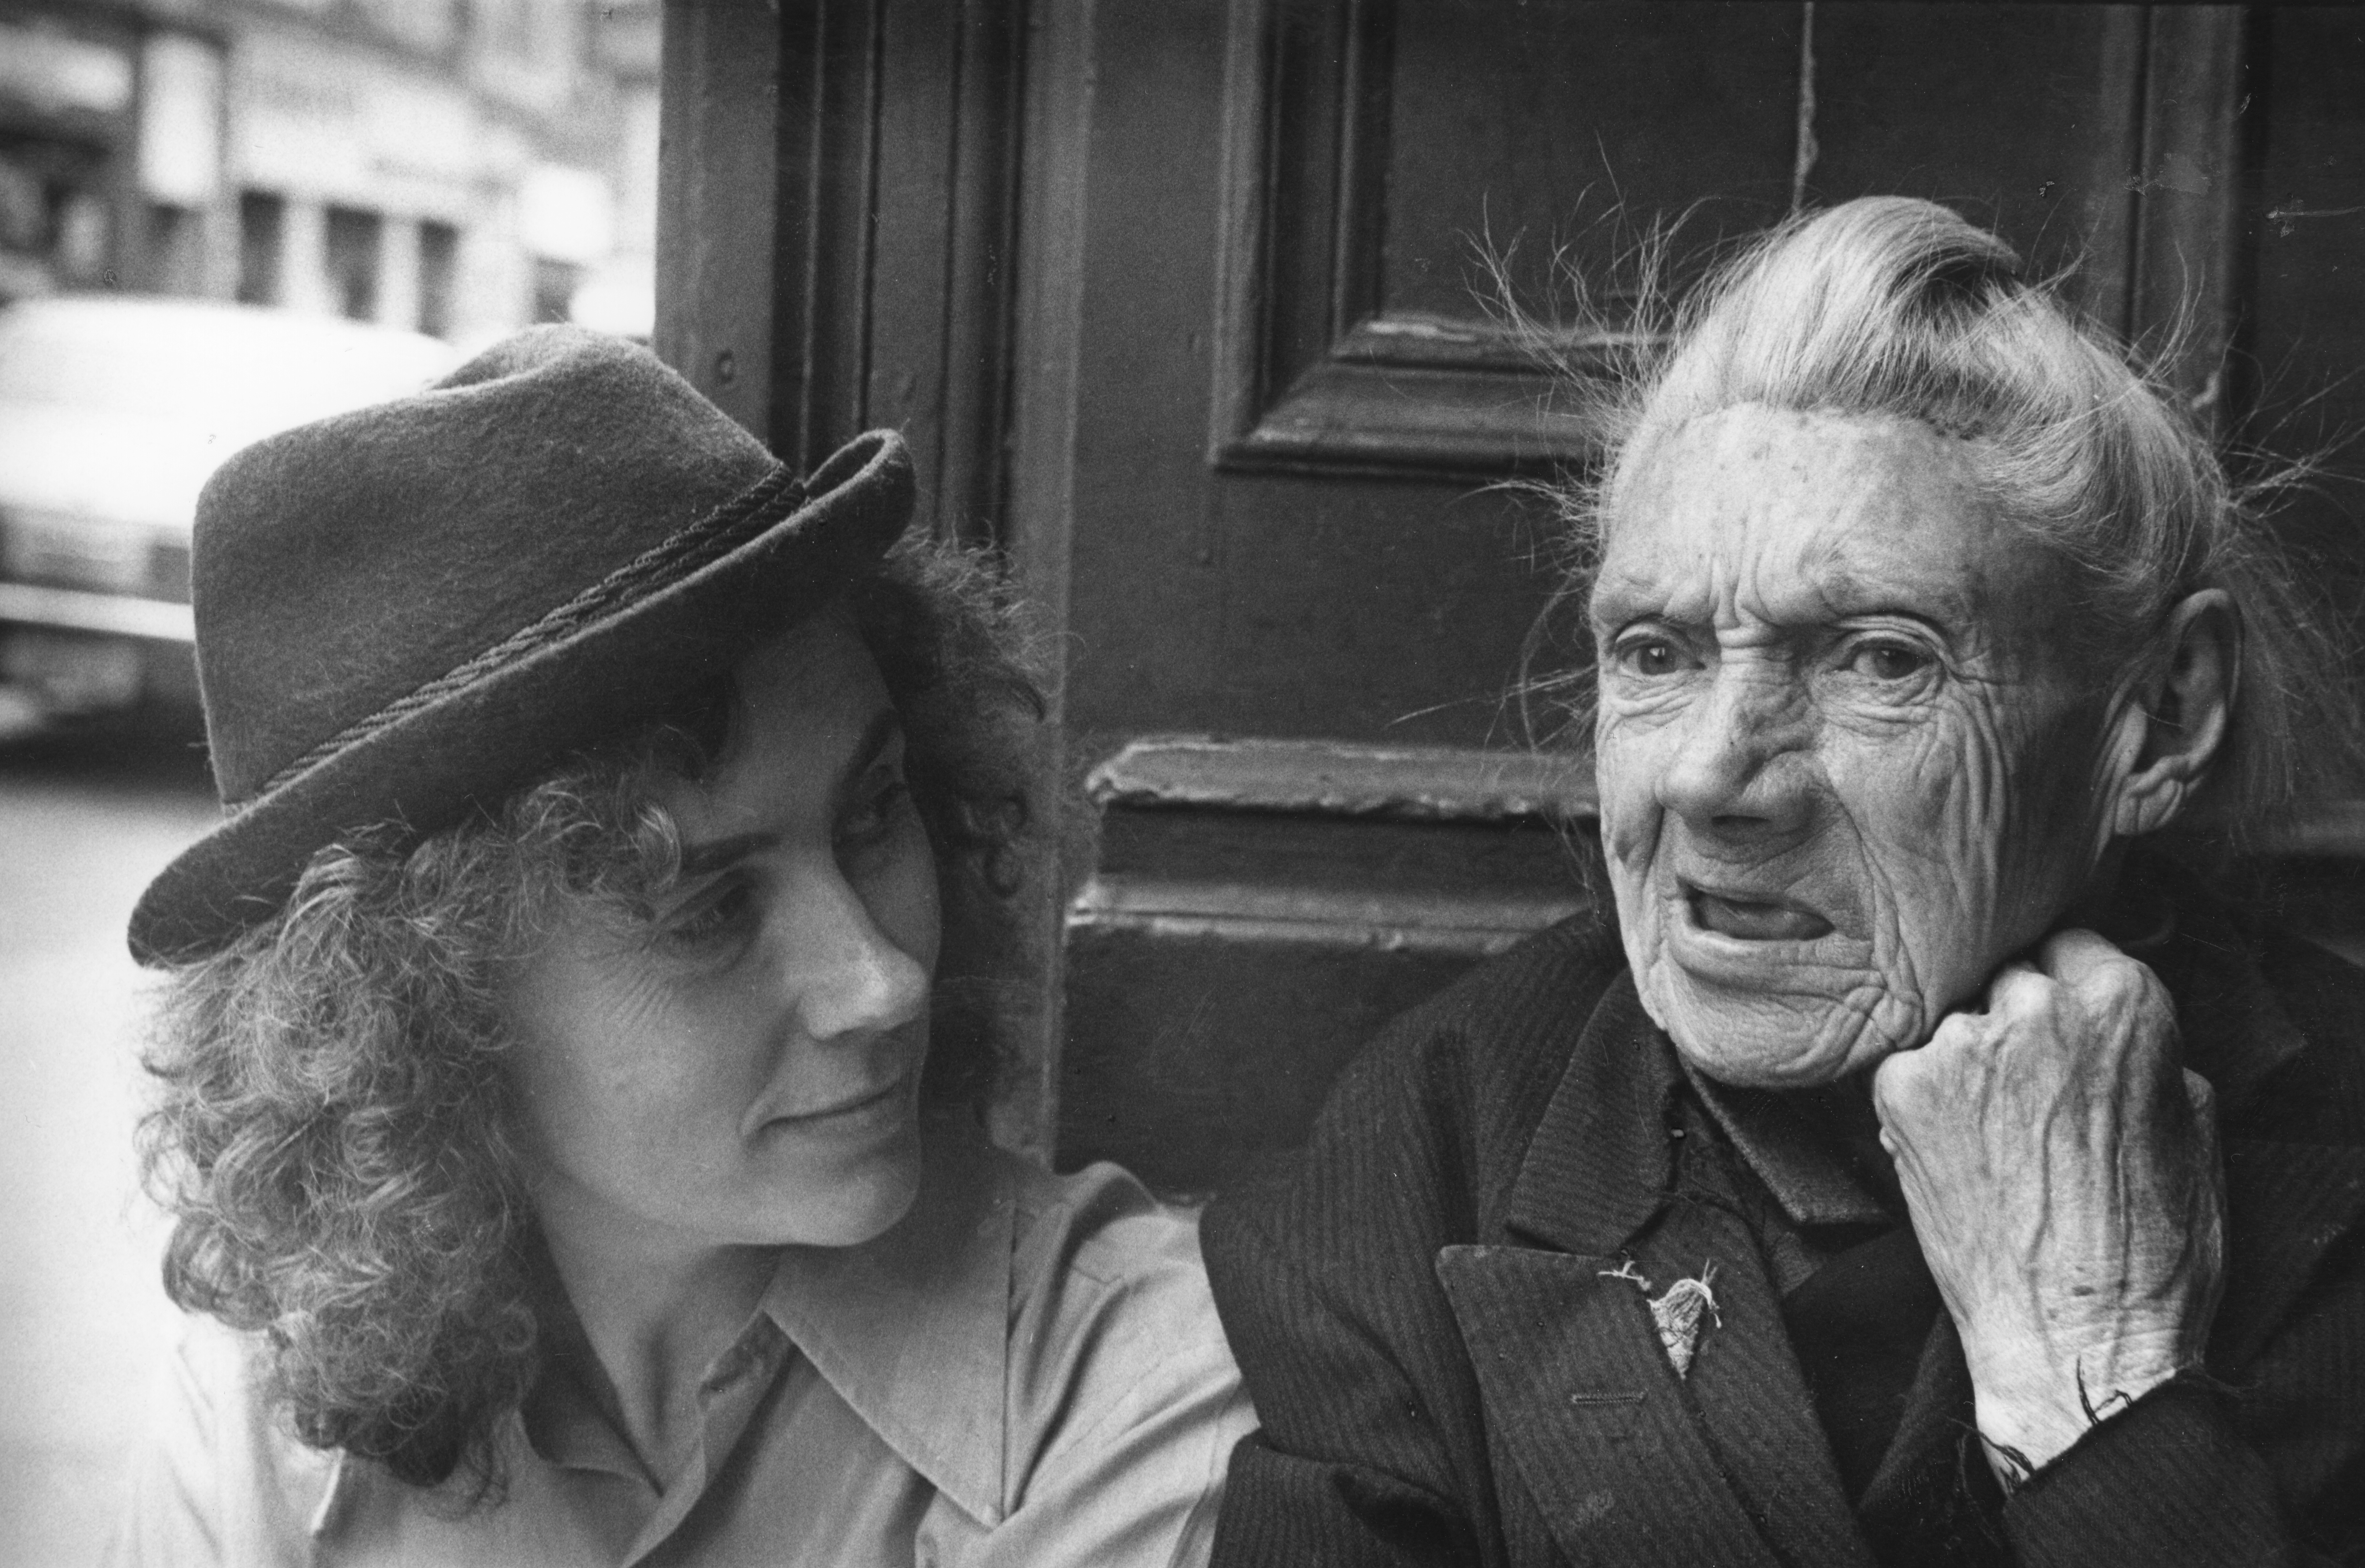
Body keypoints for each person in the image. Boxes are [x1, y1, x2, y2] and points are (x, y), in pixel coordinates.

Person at [1202, 196, 2365, 1567]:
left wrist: (2092, 1373)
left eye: (1878, 658)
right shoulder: (1435, 1135)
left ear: (2161, 715)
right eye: (1655, 652)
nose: (1706, 777)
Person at [111, 326, 1252, 1567]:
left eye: (874, 813)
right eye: (704, 907)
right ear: (413, 1014)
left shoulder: (1139, 1386)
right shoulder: (255, 1413)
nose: (883, 978)